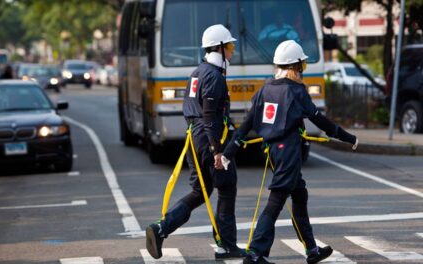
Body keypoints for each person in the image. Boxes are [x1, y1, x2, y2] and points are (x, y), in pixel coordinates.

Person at [221, 40, 358, 264]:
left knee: (299, 194)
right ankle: (255, 253)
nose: (302, 70)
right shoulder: (296, 91)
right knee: (276, 201)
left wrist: (228, 153)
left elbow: (245, 126)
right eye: (301, 65)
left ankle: (311, 250)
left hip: (274, 152)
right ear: (295, 67)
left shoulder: (264, 90)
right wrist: (348, 137)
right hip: (289, 152)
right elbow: (320, 120)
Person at [145, 24, 246, 261]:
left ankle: (161, 228)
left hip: (193, 136)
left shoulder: (197, 72)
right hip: (207, 137)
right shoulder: (214, 77)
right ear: (219, 48)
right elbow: (210, 116)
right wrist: (217, 151)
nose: (232, 52)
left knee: (200, 191)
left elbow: (191, 110)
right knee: (227, 186)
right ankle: (226, 246)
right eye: (230, 47)